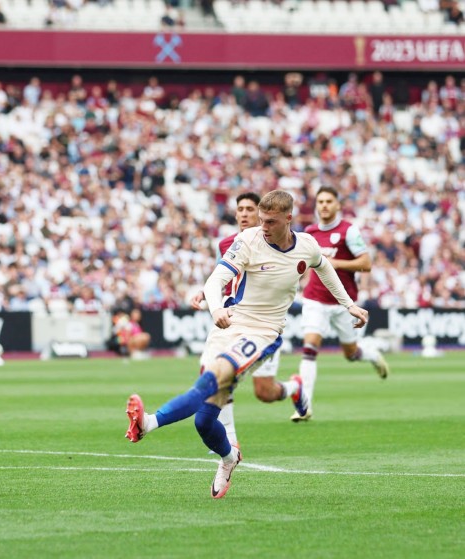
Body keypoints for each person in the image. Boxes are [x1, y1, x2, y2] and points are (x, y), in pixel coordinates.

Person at [126, 190, 369, 499]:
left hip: (263, 333)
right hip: (230, 323)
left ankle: (148, 424)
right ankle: (229, 457)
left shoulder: (306, 245)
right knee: (204, 420)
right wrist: (216, 309)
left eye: (269, 221)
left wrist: (349, 305)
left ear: (288, 219)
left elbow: (324, 267)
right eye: (261, 220)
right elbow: (215, 281)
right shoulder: (248, 241)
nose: (262, 226)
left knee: (212, 380)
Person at [295, 186, 389, 422]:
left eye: (329, 201)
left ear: (337, 205)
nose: (324, 205)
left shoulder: (349, 231)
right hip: (314, 299)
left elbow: (366, 263)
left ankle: (370, 354)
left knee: (351, 353)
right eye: (320, 202)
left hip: (344, 301)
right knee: (310, 346)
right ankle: (304, 406)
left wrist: (335, 263)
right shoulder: (310, 232)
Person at [190, 192, 272, 449]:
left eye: (250, 208)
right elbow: (221, 275)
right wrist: (205, 293)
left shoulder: (272, 241)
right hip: (234, 318)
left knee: (265, 392)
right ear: (235, 214)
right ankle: (232, 441)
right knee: (218, 373)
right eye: (241, 209)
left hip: (264, 324)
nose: (245, 213)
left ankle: (294, 389)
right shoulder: (226, 244)